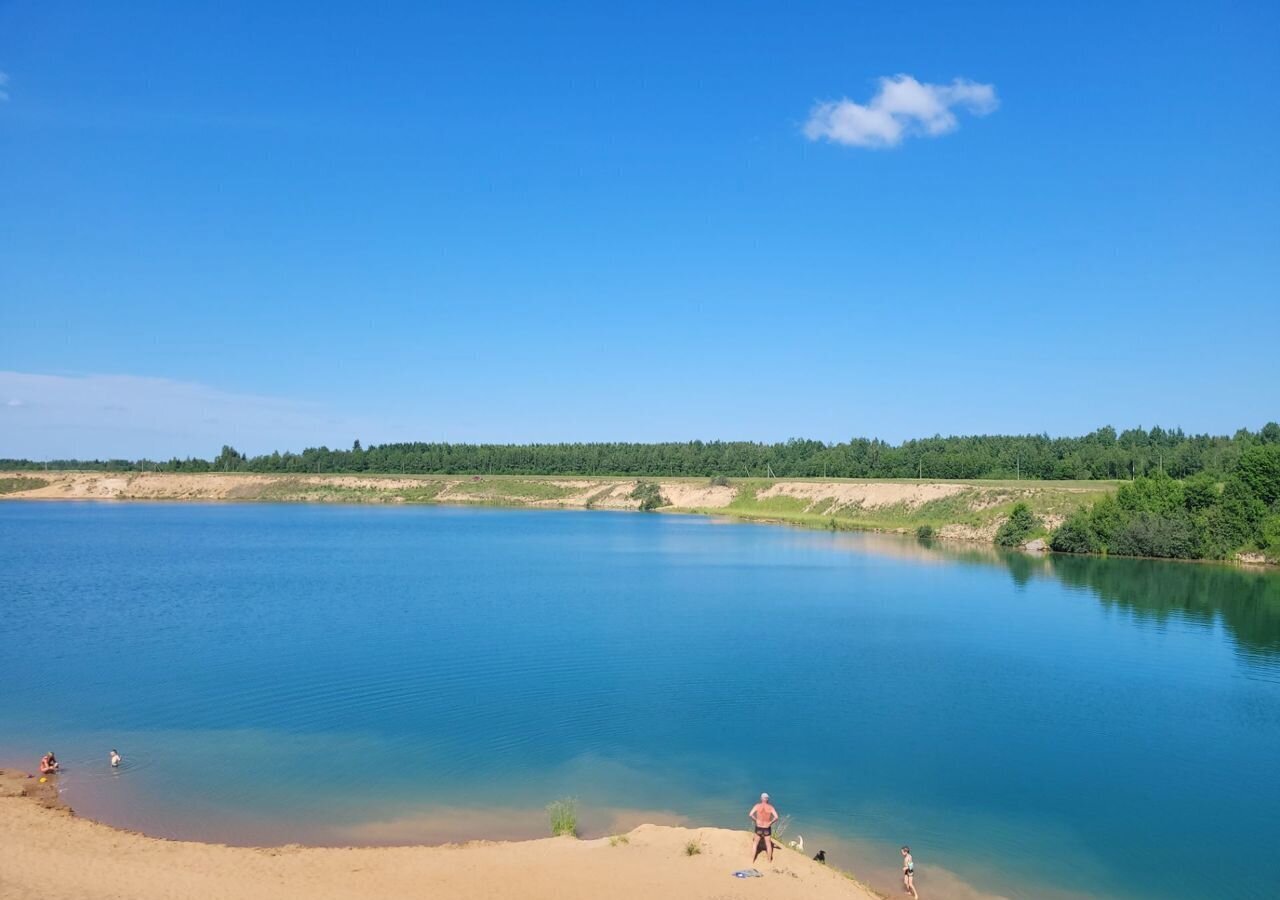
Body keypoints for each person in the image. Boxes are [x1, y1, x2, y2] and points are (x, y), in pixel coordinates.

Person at [748, 792, 779, 863]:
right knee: (768, 844)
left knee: (755, 843)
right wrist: (770, 822)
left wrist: (756, 820)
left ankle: (752, 860)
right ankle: (769, 861)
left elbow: (750, 815)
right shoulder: (770, 807)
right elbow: (776, 817)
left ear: (761, 798)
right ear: (767, 799)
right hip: (766, 827)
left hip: (759, 827)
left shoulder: (757, 806)